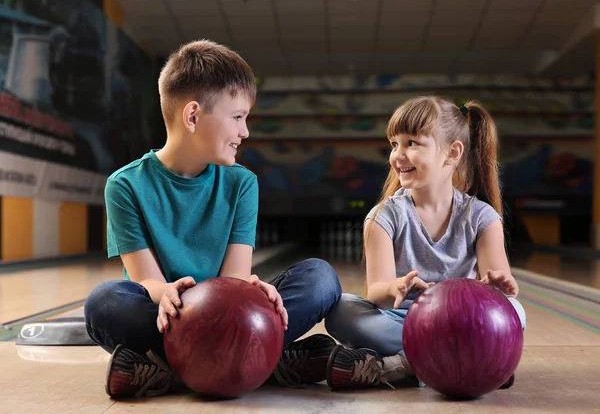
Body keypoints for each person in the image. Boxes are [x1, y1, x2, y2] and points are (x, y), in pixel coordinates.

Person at [84, 39, 342, 399]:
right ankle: (265, 360)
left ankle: (165, 370)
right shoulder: (125, 185)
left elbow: (233, 282)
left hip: (226, 318)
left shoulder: (241, 183)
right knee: (105, 302)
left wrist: (254, 294)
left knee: (320, 278)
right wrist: (170, 295)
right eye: (237, 117)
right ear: (192, 116)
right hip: (169, 316)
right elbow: (147, 281)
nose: (245, 132)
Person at [323, 96, 527, 390]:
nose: (397, 154)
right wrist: (394, 288)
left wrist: (499, 288)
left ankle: (406, 365)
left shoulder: (482, 217)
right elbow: (377, 292)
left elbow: (498, 285)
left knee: (515, 310)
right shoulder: (383, 217)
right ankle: (469, 360)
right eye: (394, 144)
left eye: (412, 143)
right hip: (403, 321)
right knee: (341, 309)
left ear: (452, 152)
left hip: (462, 321)